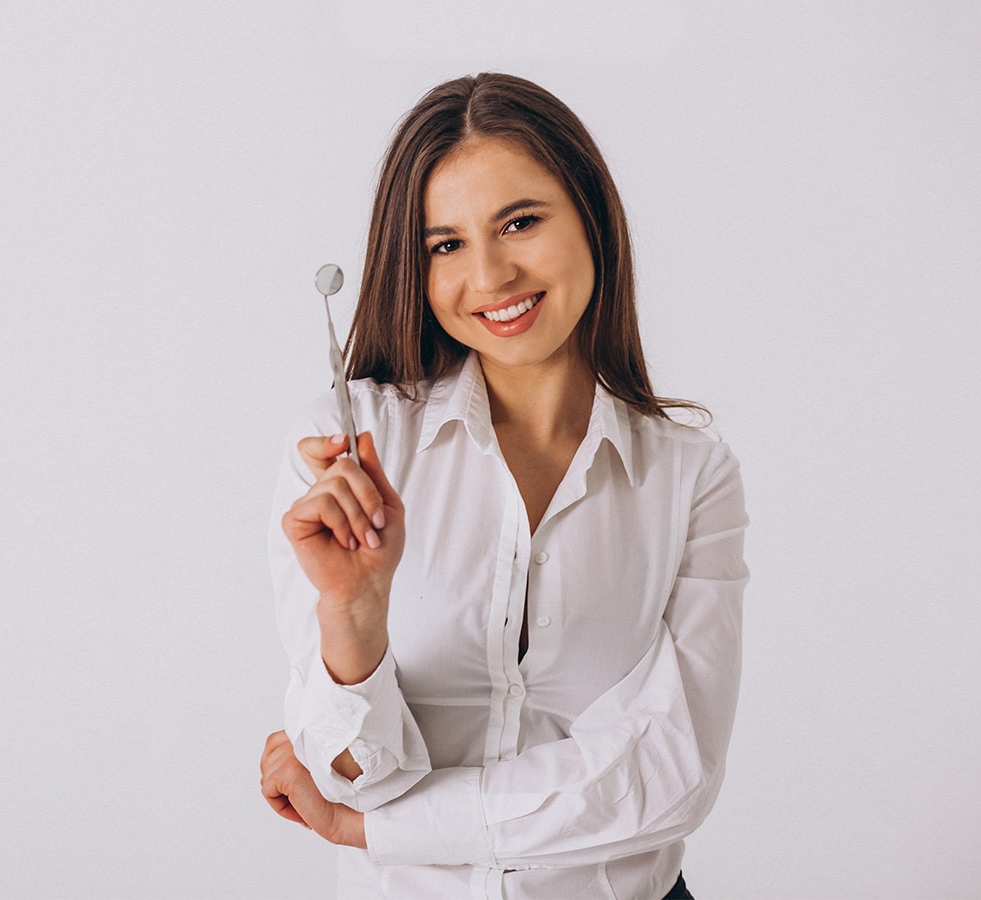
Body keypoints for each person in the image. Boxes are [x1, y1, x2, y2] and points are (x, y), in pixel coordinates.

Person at [259, 73, 748, 900]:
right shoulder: (350, 452)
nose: (489, 277)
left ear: (590, 216)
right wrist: (353, 614)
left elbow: (673, 775)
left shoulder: (690, 473)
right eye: (445, 244)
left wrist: (379, 831)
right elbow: (347, 776)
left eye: (519, 222)